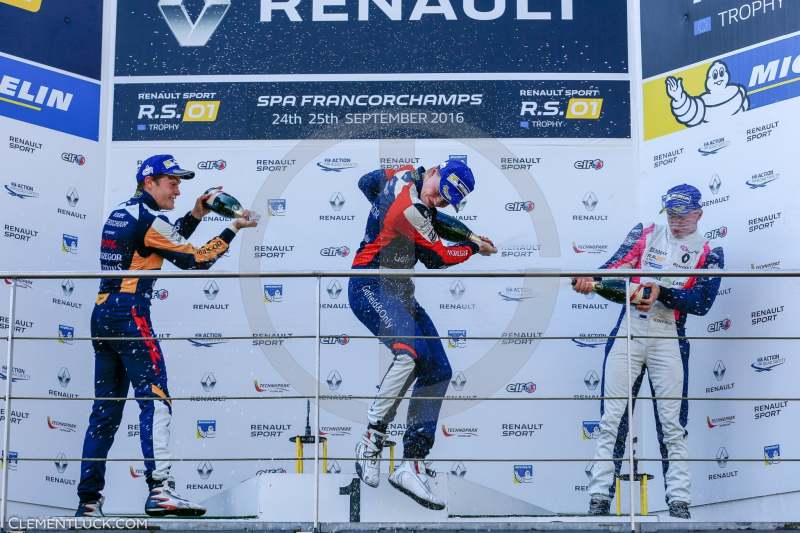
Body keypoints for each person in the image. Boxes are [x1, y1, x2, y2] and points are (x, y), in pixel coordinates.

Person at [75, 155, 257, 517]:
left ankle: (89, 502)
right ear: (150, 183)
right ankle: (160, 490)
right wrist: (233, 229)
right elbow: (196, 260)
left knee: (105, 412)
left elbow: (160, 243)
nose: (178, 188)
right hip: (130, 314)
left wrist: (196, 214)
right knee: (155, 399)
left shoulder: (126, 212)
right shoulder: (151, 219)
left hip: (103, 314)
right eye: (172, 182)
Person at [348, 160, 496, 510]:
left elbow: (365, 182)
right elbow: (439, 258)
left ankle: (411, 462)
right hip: (369, 284)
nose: (439, 203)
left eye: (446, 201)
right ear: (434, 173)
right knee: (410, 353)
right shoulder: (410, 208)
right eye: (439, 194)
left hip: (400, 291)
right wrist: (475, 247)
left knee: (438, 370)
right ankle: (371, 441)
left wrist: (469, 234)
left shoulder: (404, 174)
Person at [573, 184, 724, 520]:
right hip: (630, 328)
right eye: (671, 214)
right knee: (612, 418)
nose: (676, 221)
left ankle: (679, 503)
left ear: (699, 213)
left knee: (672, 424)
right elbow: (615, 265)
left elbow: (702, 303)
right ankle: (599, 498)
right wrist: (591, 279)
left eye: (683, 215)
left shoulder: (710, 253)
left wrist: (662, 293)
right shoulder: (646, 233)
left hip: (669, 334)